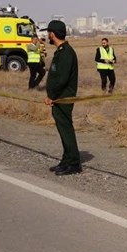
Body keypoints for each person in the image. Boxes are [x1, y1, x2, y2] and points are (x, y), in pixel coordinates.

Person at [43, 20, 81, 176]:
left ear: (52, 34)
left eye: (48, 34)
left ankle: (74, 163)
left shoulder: (66, 52)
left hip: (62, 98)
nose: (48, 36)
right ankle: (66, 160)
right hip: (58, 98)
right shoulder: (60, 51)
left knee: (66, 130)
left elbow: (62, 79)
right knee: (63, 129)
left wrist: (51, 96)